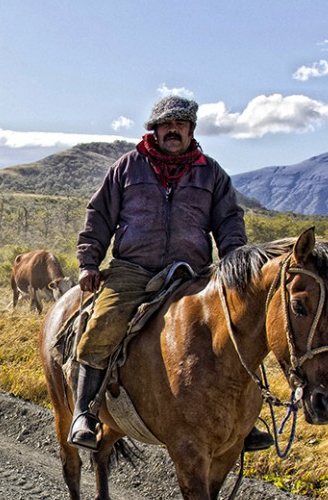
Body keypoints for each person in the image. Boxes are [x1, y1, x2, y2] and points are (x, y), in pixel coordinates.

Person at [69, 93, 272, 452]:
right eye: (167, 125)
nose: (173, 130)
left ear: (191, 129)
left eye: (180, 124)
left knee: (236, 330)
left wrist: (235, 269)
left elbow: (228, 223)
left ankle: (244, 420)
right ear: (155, 129)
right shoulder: (128, 167)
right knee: (105, 323)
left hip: (192, 274)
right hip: (133, 270)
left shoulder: (211, 173)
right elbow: (99, 216)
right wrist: (89, 262)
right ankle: (84, 412)